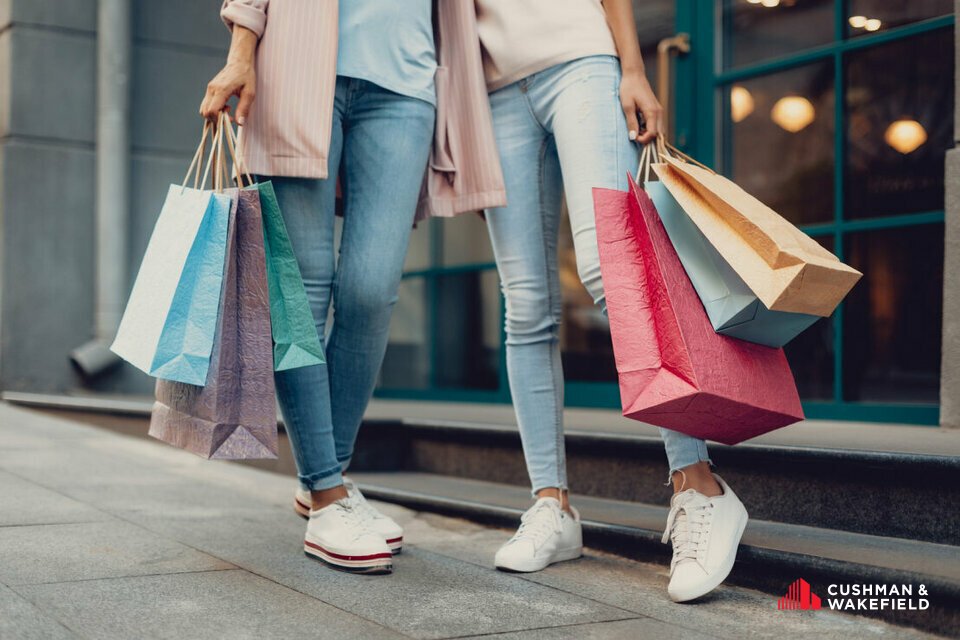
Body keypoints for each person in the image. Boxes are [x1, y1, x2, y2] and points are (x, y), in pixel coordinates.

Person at [201, 0, 504, 575]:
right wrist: (242, 50)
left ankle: (325, 481)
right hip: (296, 67)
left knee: (373, 290)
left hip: (407, 84)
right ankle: (327, 489)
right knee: (304, 288)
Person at [474, 0, 748, 602]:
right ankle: (552, 505)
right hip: (490, 94)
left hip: (582, 61)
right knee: (524, 304)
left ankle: (699, 486)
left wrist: (632, 67)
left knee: (612, 270)